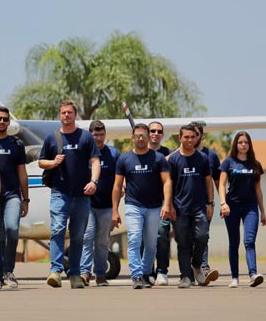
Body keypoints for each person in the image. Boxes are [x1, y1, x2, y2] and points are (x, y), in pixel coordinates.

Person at [38, 100, 100, 289]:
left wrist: (94, 181)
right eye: (63, 113)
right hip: (60, 193)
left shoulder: (86, 137)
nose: (66, 115)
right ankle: (55, 271)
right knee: (57, 229)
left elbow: (96, 161)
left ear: (75, 115)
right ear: (59, 115)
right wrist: (53, 162)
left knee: (78, 236)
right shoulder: (52, 138)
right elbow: (41, 162)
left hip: (82, 195)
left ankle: (74, 273)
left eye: (70, 113)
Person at [113, 123, 171, 289]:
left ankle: (146, 273)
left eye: (143, 136)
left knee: (152, 243)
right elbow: (117, 186)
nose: (140, 138)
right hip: (133, 206)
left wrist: (167, 204)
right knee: (134, 239)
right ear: (132, 138)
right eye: (137, 136)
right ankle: (136, 275)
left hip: (154, 207)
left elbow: (167, 182)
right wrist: (115, 210)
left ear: (148, 138)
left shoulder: (158, 158)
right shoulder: (124, 159)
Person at [167, 124, 218, 288]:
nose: (190, 140)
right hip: (179, 209)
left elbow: (208, 181)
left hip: (199, 208)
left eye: (192, 137)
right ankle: (185, 276)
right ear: (180, 138)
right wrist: (169, 206)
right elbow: (168, 184)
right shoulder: (174, 160)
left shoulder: (202, 158)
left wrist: (210, 203)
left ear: (197, 138)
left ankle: (197, 265)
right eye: (186, 137)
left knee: (202, 237)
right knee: (183, 243)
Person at [0, 107, 29, 290]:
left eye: (5, 119)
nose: (2, 122)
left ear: (9, 122)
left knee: (12, 229)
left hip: (12, 195)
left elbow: (22, 173)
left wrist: (25, 199)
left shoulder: (16, 144)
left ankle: (8, 271)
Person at [219, 131, 266, 288]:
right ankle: (235, 277)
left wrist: (263, 212)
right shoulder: (228, 162)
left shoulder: (255, 164)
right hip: (232, 206)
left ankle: (253, 274)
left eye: (246, 142)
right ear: (236, 145)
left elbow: (258, 189)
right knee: (234, 242)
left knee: (249, 241)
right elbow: (221, 184)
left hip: (250, 207)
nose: (243, 145)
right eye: (240, 142)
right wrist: (223, 203)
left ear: (250, 144)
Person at [80, 120, 120, 287]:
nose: (98, 137)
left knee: (102, 241)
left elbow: (120, 179)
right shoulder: (83, 153)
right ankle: (84, 272)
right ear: (90, 135)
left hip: (106, 206)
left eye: (101, 134)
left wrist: (116, 207)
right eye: (95, 134)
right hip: (87, 204)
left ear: (105, 135)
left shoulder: (114, 154)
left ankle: (101, 274)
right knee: (87, 237)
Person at [190, 122, 221, 277]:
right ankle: (190, 268)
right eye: (189, 135)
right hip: (184, 204)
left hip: (203, 204)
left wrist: (219, 202)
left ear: (201, 135)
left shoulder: (211, 156)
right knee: (187, 238)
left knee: (202, 235)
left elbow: (217, 182)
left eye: (195, 134)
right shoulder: (179, 155)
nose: (192, 138)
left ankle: (203, 266)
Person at [149, 121, 173, 285]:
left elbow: (171, 180)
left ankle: (162, 271)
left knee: (162, 234)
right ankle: (147, 271)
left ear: (162, 135)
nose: (155, 133)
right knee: (145, 238)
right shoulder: (139, 152)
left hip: (163, 200)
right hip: (143, 201)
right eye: (152, 131)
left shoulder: (169, 154)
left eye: (159, 131)